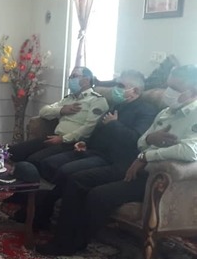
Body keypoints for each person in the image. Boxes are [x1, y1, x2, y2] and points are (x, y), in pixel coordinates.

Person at [36, 64, 197, 256]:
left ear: (192, 90)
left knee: (93, 191)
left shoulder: (184, 114)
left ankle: (69, 243)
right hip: (133, 165)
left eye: (174, 88)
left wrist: (146, 155)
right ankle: (61, 236)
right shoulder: (166, 112)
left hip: (152, 175)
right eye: (168, 86)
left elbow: (190, 151)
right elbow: (142, 141)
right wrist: (149, 141)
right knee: (75, 178)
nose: (168, 93)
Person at [17, 70, 157, 228]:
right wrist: (85, 143)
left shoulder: (146, 111)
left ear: (135, 91)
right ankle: (36, 208)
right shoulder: (118, 106)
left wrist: (114, 124)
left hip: (113, 159)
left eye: (120, 85)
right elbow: (97, 131)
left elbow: (135, 140)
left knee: (68, 172)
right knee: (50, 163)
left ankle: (45, 215)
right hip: (92, 150)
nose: (115, 89)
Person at [8, 67, 109, 170]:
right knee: (13, 151)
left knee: (33, 160)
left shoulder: (96, 100)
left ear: (86, 80)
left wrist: (63, 139)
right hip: (55, 137)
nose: (70, 80)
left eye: (74, 76)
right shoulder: (68, 99)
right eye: (70, 77)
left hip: (73, 143)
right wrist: (61, 110)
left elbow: (89, 127)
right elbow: (43, 111)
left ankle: (20, 177)